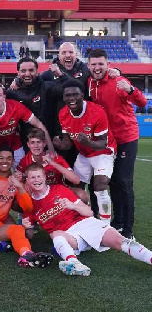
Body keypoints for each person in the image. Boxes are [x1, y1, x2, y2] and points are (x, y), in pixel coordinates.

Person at [22, 163, 152, 276]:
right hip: (70, 236)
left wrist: (72, 205)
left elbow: (89, 213)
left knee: (122, 242)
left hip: (86, 224)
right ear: (27, 181)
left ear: (45, 177)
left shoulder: (59, 189)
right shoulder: (29, 205)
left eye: (39, 176)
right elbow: (30, 235)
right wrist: (27, 227)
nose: (37, 180)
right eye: (33, 177)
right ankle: (75, 264)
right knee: (56, 235)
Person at [87, 49, 146, 238]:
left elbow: (143, 102)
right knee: (110, 181)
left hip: (126, 137)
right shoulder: (89, 83)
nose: (97, 68)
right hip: (107, 140)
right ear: (89, 66)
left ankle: (127, 230)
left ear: (108, 65)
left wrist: (131, 90)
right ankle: (117, 222)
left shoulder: (118, 81)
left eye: (100, 64)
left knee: (124, 182)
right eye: (93, 64)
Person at [53, 79, 117, 224]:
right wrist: (61, 145)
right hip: (84, 154)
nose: (71, 98)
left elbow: (102, 143)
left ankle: (105, 225)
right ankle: (83, 220)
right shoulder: (63, 113)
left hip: (103, 151)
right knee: (76, 187)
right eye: (67, 95)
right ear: (63, 97)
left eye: (75, 94)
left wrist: (88, 142)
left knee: (100, 185)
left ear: (82, 95)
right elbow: (68, 143)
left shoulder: (97, 112)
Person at [0, 83, 54, 168]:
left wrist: (50, 149)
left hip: (15, 147)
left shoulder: (15, 107)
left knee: (21, 175)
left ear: (4, 97)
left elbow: (39, 125)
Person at [16, 128, 87, 202]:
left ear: (44, 143)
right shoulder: (25, 161)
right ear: (28, 144)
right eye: (32, 142)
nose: (36, 146)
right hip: (40, 195)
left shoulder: (54, 157)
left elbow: (76, 180)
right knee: (20, 196)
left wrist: (53, 163)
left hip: (59, 190)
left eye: (38, 142)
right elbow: (17, 179)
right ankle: (27, 213)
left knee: (82, 195)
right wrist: (24, 181)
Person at [7, 57, 61, 141]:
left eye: (31, 70)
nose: (27, 74)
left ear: (37, 72)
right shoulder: (12, 92)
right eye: (23, 71)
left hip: (49, 139)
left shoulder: (48, 87)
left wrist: (61, 75)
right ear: (18, 73)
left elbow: (73, 89)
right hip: (24, 141)